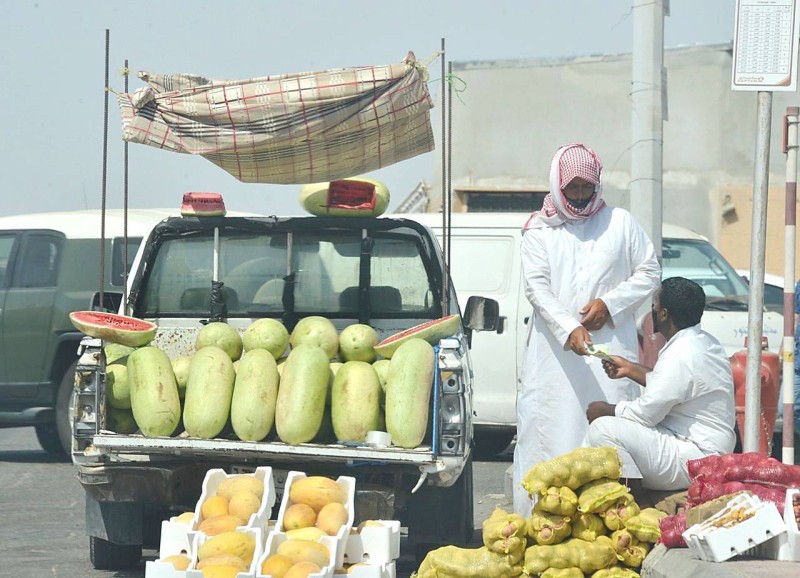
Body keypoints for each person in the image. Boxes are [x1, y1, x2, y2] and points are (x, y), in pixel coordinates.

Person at [513, 143, 661, 516]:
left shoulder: (620, 223)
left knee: (607, 443)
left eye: (586, 188)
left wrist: (609, 304)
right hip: (555, 360)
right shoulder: (538, 230)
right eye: (571, 188)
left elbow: (650, 271)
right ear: (556, 186)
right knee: (551, 439)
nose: (579, 197)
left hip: (609, 355)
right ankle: (539, 533)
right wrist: (568, 328)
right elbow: (536, 288)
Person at [585, 276, 736, 492]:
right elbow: (672, 385)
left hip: (694, 458)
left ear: (664, 314)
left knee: (603, 429)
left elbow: (646, 414)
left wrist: (605, 410)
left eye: (654, 306)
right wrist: (629, 368)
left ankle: (635, 502)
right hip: (705, 451)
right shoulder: (705, 342)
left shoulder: (681, 354)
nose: (652, 312)